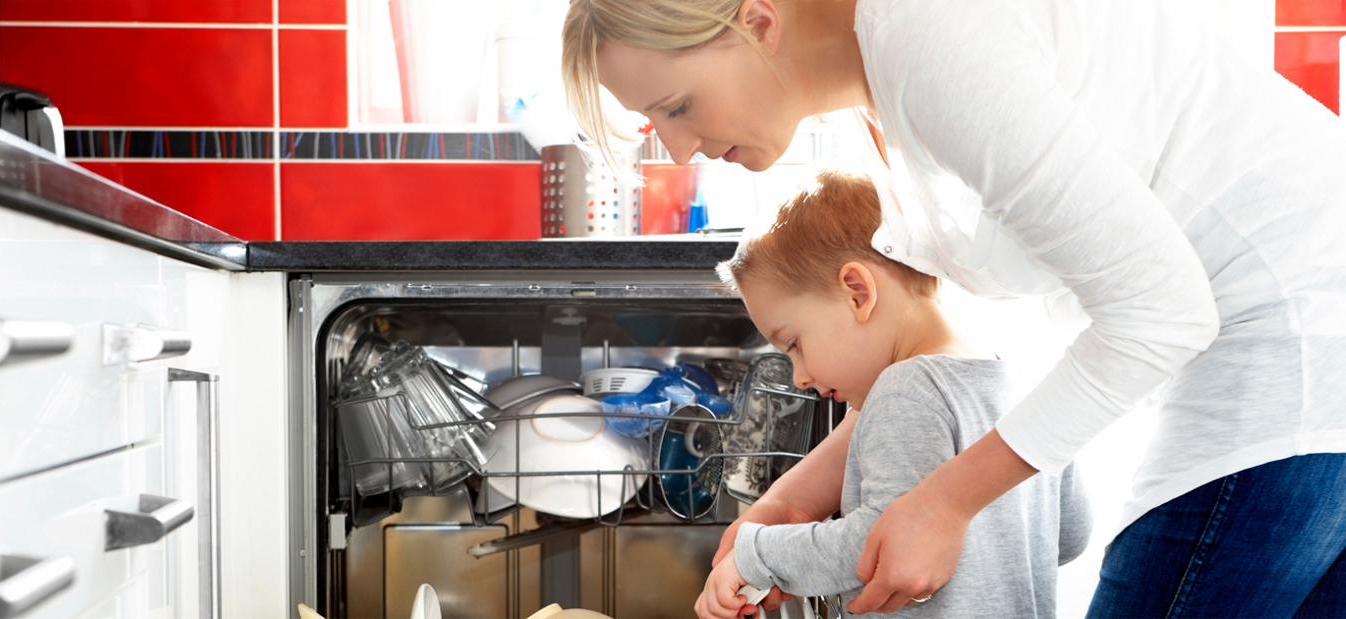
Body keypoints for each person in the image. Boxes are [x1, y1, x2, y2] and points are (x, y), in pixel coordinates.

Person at [562, 0, 1346, 616]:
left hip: (1290, 351)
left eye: (676, 106)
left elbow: (1163, 311)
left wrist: (943, 502)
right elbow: (985, 358)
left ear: (757, 22)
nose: (675, 150)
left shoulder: (932, 42)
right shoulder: (884, 90)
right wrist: (784, 499)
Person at [697, 168, 1091, 619]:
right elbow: (1071, 534)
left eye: (794, 345)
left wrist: (758, 555)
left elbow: (875, 549)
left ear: (857, 292)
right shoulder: (1017, 378)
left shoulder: (906, 389)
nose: (799, 376)